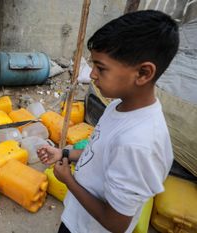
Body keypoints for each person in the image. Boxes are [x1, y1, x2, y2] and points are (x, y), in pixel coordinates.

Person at [37, 10, 179, 233]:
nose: (92, 74)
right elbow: (99, 154)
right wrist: (64, 154)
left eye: (101, 67)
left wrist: (69, 180)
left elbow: (116, 223)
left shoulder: (138, 144)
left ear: (143, 73)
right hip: (78, 219)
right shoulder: (117, 105)